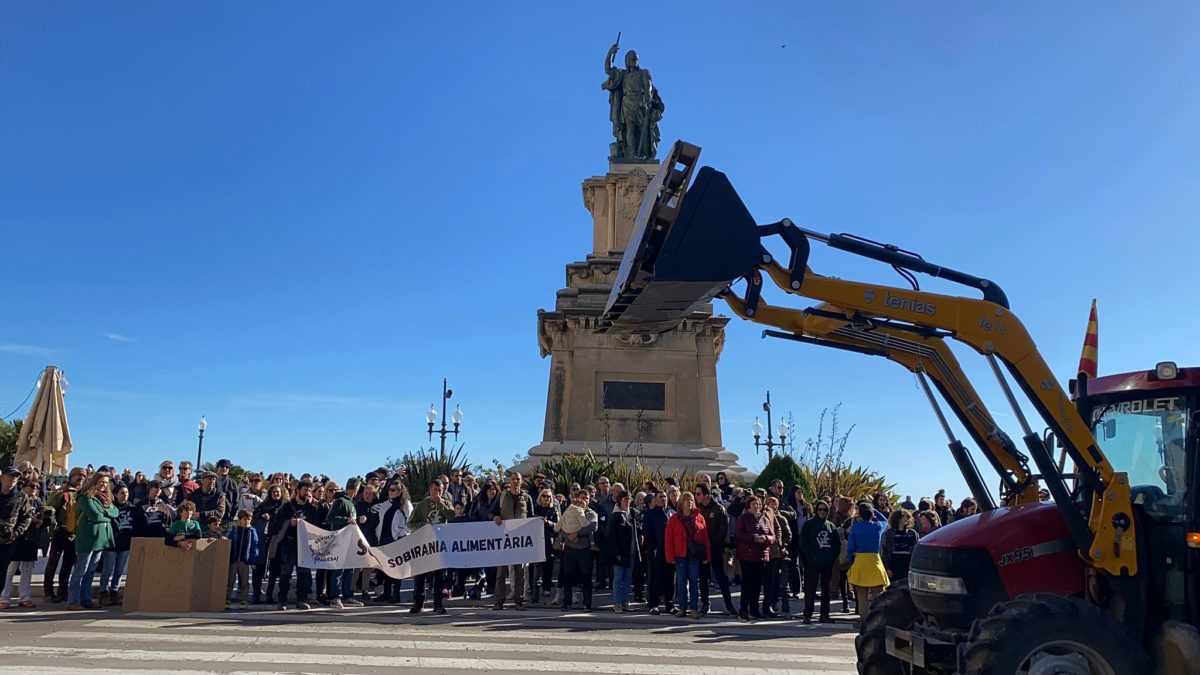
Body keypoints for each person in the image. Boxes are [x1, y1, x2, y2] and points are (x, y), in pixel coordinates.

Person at [68, 470, 118, 610]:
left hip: (100, 539)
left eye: (106, 483)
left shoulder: (106, 498)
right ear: (94, 482)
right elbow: (94, 515)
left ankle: (86, 599)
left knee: (90, 571)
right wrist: (108, 516)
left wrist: (105, 513)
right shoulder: (85, 497)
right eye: (101, 482)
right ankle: (74, 601)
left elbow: (115, 512)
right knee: (80, 570)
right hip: (87, 538)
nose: (103, 485)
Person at [271, 480, 321, 610]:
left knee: (303, 574)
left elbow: (316, 527)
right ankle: (282, 600)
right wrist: (289, 523)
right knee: (285, 573)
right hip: (289, 544)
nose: (307, 493)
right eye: (305, 490)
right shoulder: (287, 506)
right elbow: (276, 525)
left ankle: (302, 599)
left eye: (309, 490)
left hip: (305, 546)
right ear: (298, 490)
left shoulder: (312, 509)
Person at [409, 478, 455, 614]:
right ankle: (418, 603)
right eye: (435, 490)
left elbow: (452, 517)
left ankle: (438, 604)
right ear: (430, 490)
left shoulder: (446, 503)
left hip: (439, 545)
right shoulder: (422, 505)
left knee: (439, 576)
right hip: (424, 544)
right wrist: (423, 525)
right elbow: (410, 523)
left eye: (440, 490)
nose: (437, 493)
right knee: (420, 575)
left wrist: (441, 504)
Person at [491, 471, 534, 610]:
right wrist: (495, 517)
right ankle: (499, 601)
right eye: (513, 479)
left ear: (521, 481)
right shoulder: (502, 496)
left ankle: (518, 601)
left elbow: (531, 516)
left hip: (519, 541)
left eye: (518, 479)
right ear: (509, 481)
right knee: (501, 573)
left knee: (519, 573)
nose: (515, 481)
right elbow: (492, 512)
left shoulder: (527, 497)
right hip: (504, 539)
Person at [664, 491, 709, 619]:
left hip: (694, 555)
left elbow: (705, 538)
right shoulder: (674, 519)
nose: (689, 502)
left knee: (694, 582)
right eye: (686, 500)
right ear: (681, 502)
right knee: (681, 582)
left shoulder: (699, 517)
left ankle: (694, 608)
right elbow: (669, 539)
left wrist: (706, 556)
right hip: (680, 554)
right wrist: (670, 556)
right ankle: (682, 608)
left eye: (691, 500)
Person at [42, 467, 84, 602]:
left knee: (68, 564)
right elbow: (49, 509)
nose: (81, 478)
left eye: (83, 476)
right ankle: (48, 591)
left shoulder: (82, 494)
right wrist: (55, 526)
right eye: (78, 475)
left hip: (74, 534)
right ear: (71, 477)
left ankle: (63, 591)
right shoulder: (61, 492)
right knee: (53, 563)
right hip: (60, 532)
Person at [694, 484, 735, 615]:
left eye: (699, 494)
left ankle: (729, 604)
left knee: (721, 577)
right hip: (702, 549)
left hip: (716, 548)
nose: (696, 496)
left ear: (706, 495)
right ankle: (705, 604)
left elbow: (723, 530)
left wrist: (710, 543)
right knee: (703, 577)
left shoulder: (719, 509)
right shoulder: (697, 509)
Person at [555, 488, 598, 611]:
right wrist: (569, 535)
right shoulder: (570, 510)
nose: (584, 500)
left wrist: (576, 534)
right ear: (577, 498)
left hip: (584, 550)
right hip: (570, 548)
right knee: (568, 576)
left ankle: (587, 604)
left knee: (586, 577)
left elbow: (591, 527)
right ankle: (567, 603)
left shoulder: (591, 513)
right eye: (582, 498)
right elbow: (562, 525)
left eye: (587, 498)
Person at [326, 477, 365, 609]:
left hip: (350, 540)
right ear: (355, 488)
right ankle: (334, 597)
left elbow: (351, 521)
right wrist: (346, 520)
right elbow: (330, 518)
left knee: (349, 569)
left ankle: (348, 596)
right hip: (340, 540)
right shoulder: (340, 501)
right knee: (338, 570)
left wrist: (358, 520)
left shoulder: (351, 503)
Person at [734, 495, 774, 621]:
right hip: (747, 555)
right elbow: (738, 535)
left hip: (761, 556)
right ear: (748, 506)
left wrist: (765, 538)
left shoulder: (765, 519)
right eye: (754, 504)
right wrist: (754, 538)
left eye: (758, 504)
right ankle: (743, 610)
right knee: (747, 583)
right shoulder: (742, 519)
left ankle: (755, 609)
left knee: (757, 584)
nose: (756, 506)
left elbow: (772, 536)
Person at [846, 501, 890, 616]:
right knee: (877, 597)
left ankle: (863, 622)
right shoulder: (878, 526)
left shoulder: (855, 528)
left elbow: (850, 548)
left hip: (860, 562)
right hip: (875, 562)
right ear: (872, 514)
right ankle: (876, 621)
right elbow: (885, 520)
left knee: (862, 597)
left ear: (860, 515)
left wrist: (852, 562)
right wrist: (873, 510)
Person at [800, 499, 839, 624]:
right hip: (812, 562)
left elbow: (836, 544)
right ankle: (807, 614)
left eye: (825, 510)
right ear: (816, 510)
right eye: (820, 509)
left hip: (827, 563)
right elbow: (803, 543)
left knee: (826, 590)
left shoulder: (831, 526)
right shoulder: (809, 524)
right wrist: (809, 557)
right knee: (810, 589)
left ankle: (824, 614)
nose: (822, 512)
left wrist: (832, 557)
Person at [372, 481, 412, 604]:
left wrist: (401, 534)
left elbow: (409, 524)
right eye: (390, 489)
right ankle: (386, 592)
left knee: (396, 568)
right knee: (385, 568)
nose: (391, 492)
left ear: (400, 491)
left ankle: (396, 594)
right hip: (384, 539)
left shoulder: (405, 505)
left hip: (397, 540)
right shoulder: (385, 504)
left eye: (394, 490)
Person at [0, 471, 35, 609]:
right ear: (2, 478)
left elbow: (27, 517)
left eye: (16, 477)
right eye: (11, 476)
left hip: (7, 542)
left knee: (2, 571)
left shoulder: (20, 496)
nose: (13, 479)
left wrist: (16, 532)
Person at [97, 484, 135, 606]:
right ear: (115, 494)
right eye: (122, 493)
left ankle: (114, 592)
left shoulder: (132, 509)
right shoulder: (111, 507)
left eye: (126, 493)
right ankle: (103, 592)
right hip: (111, 544)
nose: (125, 495)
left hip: (125, 544)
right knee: (107, 569)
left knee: (119, 571)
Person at [641, 491, 675, 615]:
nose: (663, 499)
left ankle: (669, 603)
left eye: (665, 497)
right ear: (655, 499)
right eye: (660, 497)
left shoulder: (672, 513)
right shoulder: (650, 514)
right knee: (654, 578)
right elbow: (647, 532)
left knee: (670, 578)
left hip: (670, 551)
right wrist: (652, 548)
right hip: (656, 551)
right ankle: (653, 604)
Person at [605, 489, 637, 613]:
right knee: (618, 577)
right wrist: (616, 552)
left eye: (629, 499)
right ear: (620, 500)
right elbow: (612, 536)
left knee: (628, 578)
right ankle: (617, 602)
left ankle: (625, 601)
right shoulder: (616, 516)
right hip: (620, 552)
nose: (627, 501)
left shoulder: (632, 513)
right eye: (625, 499)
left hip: (632, 551)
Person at [253, 484, 286, 604]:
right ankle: (256, 594)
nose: (276, 494)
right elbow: (254, 514)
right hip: (264, 539)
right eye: (273, 492)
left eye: (278, 492)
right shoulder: (264, 505)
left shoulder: (285, 506)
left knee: (274, 569)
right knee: (259, 568)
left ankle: (269, 594)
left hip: (278, 540)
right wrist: (262, 515)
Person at [763, 495, 792, 618]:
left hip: (778, 553)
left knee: (777, 581)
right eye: (771, 504)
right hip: (765, 552)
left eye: (775, 504)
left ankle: (774, 603)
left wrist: (782, 545)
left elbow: (787, 534)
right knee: (768, 580)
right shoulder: (764, 516)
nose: (773, 506)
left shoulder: (781, 519)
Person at [227, 509, 259, 610]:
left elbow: (255, 546)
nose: (247, 521)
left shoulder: (252, 531)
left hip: (245, 560)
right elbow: (229, 541)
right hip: (234, 559)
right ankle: (227, 599)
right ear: (240, 520)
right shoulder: (235, 530)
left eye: (248, 519)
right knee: (230, 580)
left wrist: (253, 561)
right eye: (244, 519)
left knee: (245, 581)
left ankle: (244, 600)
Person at [530, 489, 558, 606]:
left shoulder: (554, 510)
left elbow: (557, 526)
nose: (546, 498)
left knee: (548, 567)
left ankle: (547, 587)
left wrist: (548, 522)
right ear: (540, 497)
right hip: (535, 542)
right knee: (535, 569)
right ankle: (534, 592)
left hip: (548, 542)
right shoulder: (534, 509)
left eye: (548, 496)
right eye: (544, 496)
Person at [881, 509, 920, 583]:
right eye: (903, 516)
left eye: (907, 517)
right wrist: (887, 568)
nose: (906, 519)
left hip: (908, 561)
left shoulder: (912, 533)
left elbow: (916, 550)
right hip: (894, 561)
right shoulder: (889, 533)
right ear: (897, 518)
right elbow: (885, 551)